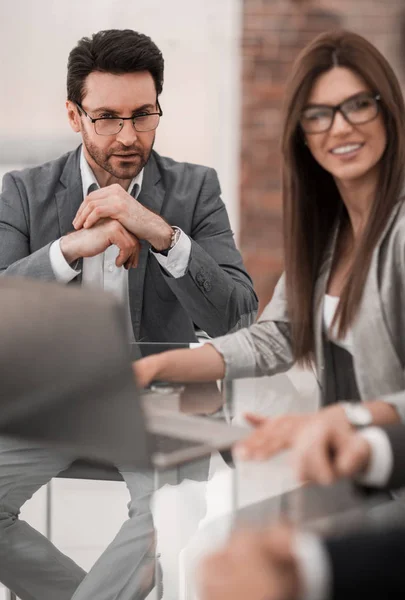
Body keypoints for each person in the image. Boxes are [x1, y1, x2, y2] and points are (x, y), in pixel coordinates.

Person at [135, 29, 405, 462]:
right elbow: (277, 336)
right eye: (318, 114)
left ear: (388, 111)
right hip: (358, 473)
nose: (340, 126)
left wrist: (345, 419)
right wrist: (154, 368)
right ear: (302, 134)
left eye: (357, 105)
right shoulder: (330, 234)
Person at [0, 29, 257, 344]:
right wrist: (69, 249)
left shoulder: (196, 190)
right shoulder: (23, 193)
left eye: (142, 115)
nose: (128, 137)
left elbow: (239, 320)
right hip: (57, 393)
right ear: (73, 116)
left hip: (162, 391)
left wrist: (165, 236)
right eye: (107, 117)